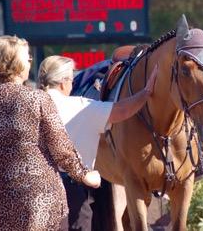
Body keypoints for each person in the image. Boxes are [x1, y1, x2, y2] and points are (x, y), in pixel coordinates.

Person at [0, 35, 101, 230]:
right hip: (41, 205)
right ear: (17, 63)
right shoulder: (38, 99)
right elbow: (61, 148)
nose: (30, 61)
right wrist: (85, 175)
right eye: (27, 57)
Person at [37, 55, 158, 230]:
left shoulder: (27, 105)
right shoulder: (81, 106)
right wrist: (146, 92)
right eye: (71, 79)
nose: (72, 85)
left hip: (34, 189)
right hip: (72, 190)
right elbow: (122, 110)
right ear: (63, 82)